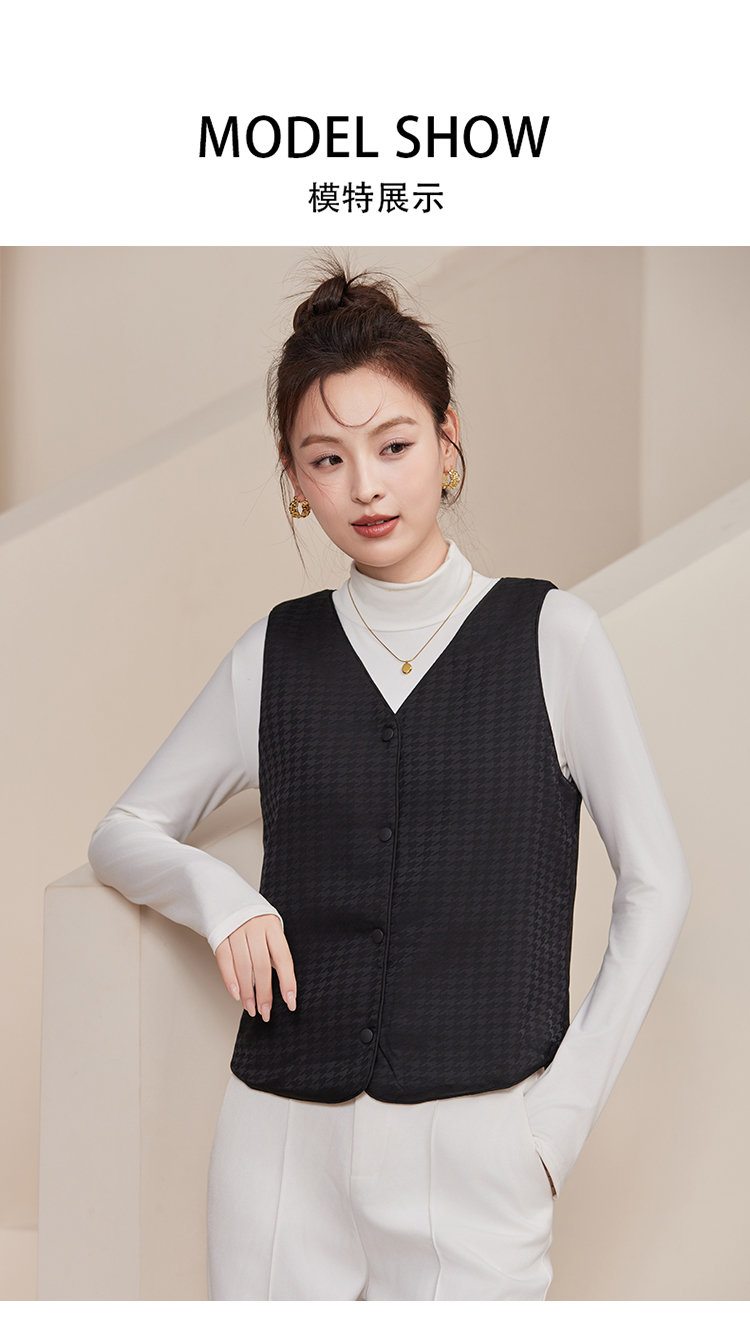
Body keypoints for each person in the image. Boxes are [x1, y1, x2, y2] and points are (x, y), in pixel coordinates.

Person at [87, 258, 692, 1301]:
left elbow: (658, 881)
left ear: (448, 441)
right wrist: (223, 899)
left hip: (480, 1147)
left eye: (394, 445)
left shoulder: (552, 636)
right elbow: (124, 829)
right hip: (279, 1144)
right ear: (293, 476)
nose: (364, 486)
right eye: (326, 459)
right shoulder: (276, 654)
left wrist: (558, 1121)